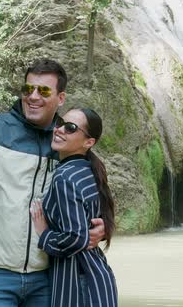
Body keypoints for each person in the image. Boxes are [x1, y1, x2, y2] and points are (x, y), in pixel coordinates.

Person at [0, 59, 105, 307]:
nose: (33, 96)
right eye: (28, 89)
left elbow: (94, 188)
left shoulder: (66, 138)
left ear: (60, 98)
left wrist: (103, 229)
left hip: (48, 278)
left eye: (43, 90)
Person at [30, 108, 118, 307]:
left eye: (70, 128)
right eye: (60, 122)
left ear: (89, 142)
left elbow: (75, 238)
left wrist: (44, 234)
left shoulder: (64, 177)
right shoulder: (89, 170)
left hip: (77, 286)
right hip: (97, 279)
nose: (59, 129)